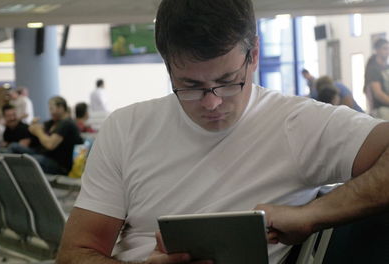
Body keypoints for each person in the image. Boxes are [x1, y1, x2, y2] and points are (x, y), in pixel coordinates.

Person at [56, 0, 389, 264]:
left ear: (253, 55)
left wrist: (311, 216)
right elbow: (74, 254)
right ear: (167, 65)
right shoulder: (125, 129)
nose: (212, 102)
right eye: (190, 85)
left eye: (229, 82)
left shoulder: (300, 124)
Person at [28, 96, 83, 175]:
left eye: (51, 108)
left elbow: (50, 145)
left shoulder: (66, 124)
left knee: (30, 160)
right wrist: (34, 127)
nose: (50, 112)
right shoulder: (54, 122)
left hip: (61, 166)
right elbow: (35, 131)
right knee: (16, 148)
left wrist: (38, 131)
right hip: (47, 157)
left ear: (61, 107)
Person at [365, 38, 389, 120]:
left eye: (388, 48)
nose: (387, 51)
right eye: (384, 48)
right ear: (377, 50)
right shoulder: (373, 68)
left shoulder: (387, 67)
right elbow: (378, 94)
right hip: (381, 110)